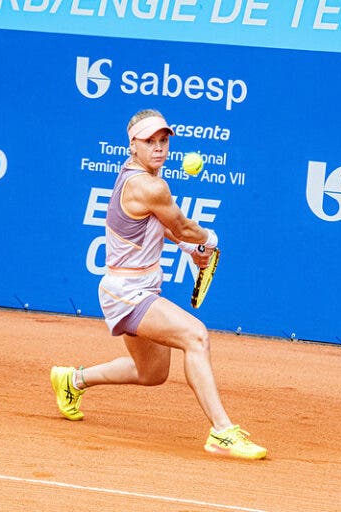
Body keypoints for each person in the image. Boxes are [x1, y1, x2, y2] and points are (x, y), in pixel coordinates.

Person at [50, 109, 267, 460]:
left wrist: (186, 246)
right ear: (132, 145)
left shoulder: (138, 177)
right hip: (128, 293)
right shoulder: (149, 186)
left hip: (132, 289)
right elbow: (181, 225)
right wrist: (207, 240)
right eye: (149, 141)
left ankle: (72, 381)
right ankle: (223, 432)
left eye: (163, 141)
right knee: (196, 336)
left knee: (152, 373)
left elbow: (162, 227)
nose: (159, 148)